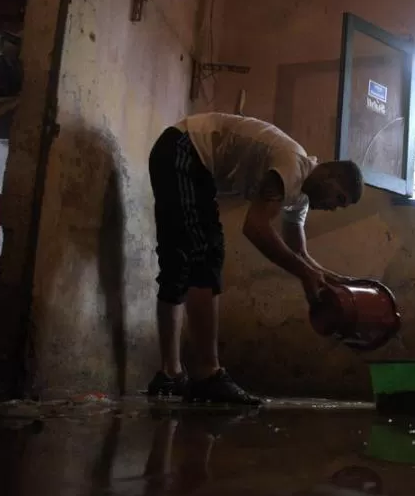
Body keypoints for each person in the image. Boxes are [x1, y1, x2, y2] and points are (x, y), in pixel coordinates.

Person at [146, 113, 364, 405]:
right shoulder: (293, 163)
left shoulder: (299, 197)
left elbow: (299, 252)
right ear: (328, 174)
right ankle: (207, 376)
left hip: (186, 159)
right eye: (339, 198)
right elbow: (256, 227)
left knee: (179, 262)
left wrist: (326, 276)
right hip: (183, 149)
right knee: (204, 256)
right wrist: (304, 274)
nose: (334, 208)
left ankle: (170, 375)